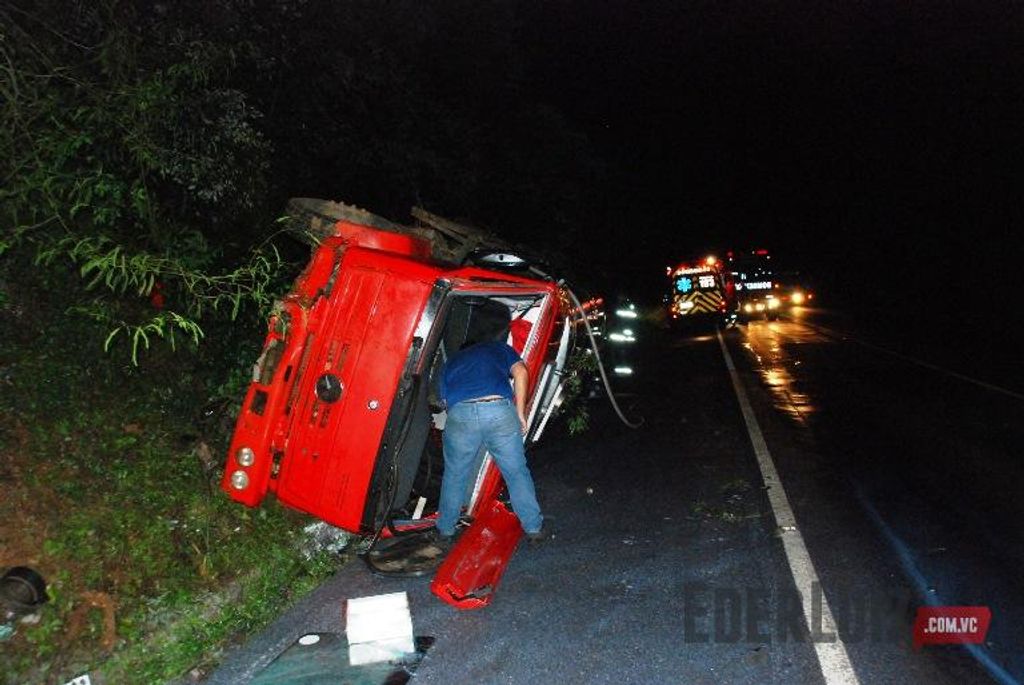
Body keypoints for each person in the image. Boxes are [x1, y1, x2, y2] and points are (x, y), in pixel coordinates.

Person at [436, 340, 545, 543]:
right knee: (516, 472)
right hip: (498, 410)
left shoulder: (452, 361)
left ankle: (445, 531)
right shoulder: (497, 347)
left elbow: (443, 401)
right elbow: (521, 372)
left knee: (455, 474)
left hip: (461, 412)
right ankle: (533, 529)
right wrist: (520, 413)